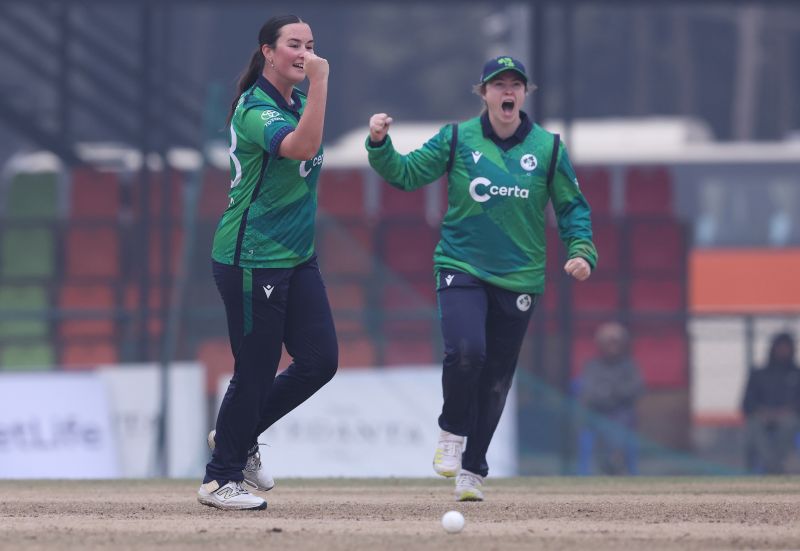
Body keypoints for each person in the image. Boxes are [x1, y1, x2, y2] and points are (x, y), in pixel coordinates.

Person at [365, 56, 597, 501]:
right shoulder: (457, 138)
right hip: (462, 264)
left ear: (524, 93)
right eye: (498, 84)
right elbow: (407, 174)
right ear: (484, 93)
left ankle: (473, 469)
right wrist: (379, 144)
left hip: (520, 276)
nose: (507, 91)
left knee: (495, 379)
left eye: (515, 85)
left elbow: (572, 207)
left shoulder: (548, 148)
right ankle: (451, 432)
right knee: (467, 351)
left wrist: (581, 250)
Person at [198, 14, 337, 511]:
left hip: (297, 256)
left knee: (320, 361)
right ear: (268, 53)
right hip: (251, 256)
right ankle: (220, 480)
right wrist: (320, 81)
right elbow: (302, 147)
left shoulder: (296, 103)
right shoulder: (255, 108)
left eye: (311, 45)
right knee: (255, 369)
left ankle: (236, 435)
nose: (306, 54)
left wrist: (312, 90)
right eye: (294, 45)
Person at [575, 322, 643, 475]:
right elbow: (589, 393)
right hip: (597, 415)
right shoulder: (592, 366)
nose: (613, 346)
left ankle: (615, 462)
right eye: (609, 342)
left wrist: (608, 392)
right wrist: (613, 393)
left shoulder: (629, 366)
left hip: (621, 414)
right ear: (601, 344)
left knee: (619, 424)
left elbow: (635, 389)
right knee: (598, 427)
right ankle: (608, 462)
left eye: (616, 341)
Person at [742, 332, 800, 474]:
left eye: (786, 347)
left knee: (790, 423)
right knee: (753, 426)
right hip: (762, 418)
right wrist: (763, 412)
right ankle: (774, 468)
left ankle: (772, 468)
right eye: (780, 347)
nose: (783, 351)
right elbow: (746, 404)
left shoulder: (797, 374)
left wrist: (787, 411)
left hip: (790, 419)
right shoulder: (759, 374)